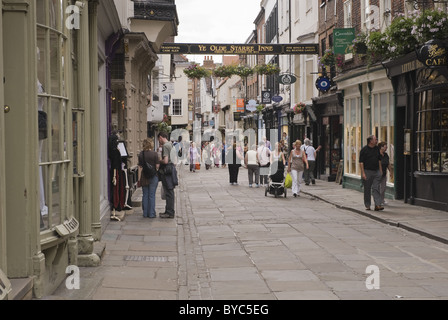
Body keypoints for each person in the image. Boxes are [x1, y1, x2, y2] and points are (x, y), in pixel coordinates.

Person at [359, 135, 383, 211]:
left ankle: (377, 205)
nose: (376, 141)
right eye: (375, 139)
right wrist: (363, 173)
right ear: (371, 141)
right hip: (367, 171)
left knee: (376, 188)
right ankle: (367, 205)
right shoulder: (364, 150)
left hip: (376, 171)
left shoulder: (377, 149)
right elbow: (361, 162)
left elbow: (379, 160)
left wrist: (380, 170)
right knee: (367, 189)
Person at [138, 138, 160, 218]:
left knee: (145, 195)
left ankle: (145, 213)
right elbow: (157, 166)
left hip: (144, 176)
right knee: (152, 195)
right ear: (151, 144)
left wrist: (139, 179)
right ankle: (151, 214)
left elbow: (140, 167)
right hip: (153, 176)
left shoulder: (141, 154)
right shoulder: (155, 154)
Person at [158, 132, 177, 219]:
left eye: (159, 139)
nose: (159, 141)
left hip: (167, 170)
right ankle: (169, 211)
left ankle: (169, 212)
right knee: (170, 191)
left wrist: (159, 161)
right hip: (172, 169)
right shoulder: (171, 144)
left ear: (161, 137)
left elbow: (165, 161)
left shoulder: (165, 146)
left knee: (169, 192)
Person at [378, 141, 393, 206]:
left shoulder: (386, 155)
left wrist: (391, 172)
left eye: (386, 146)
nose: (386, 148)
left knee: (383, 188)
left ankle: (382, 200)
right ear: (381, 147)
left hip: (384, 174)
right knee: (378, 188)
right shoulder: (377, 154)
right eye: (385, 146)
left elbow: (388, 164)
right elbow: (378, 164)